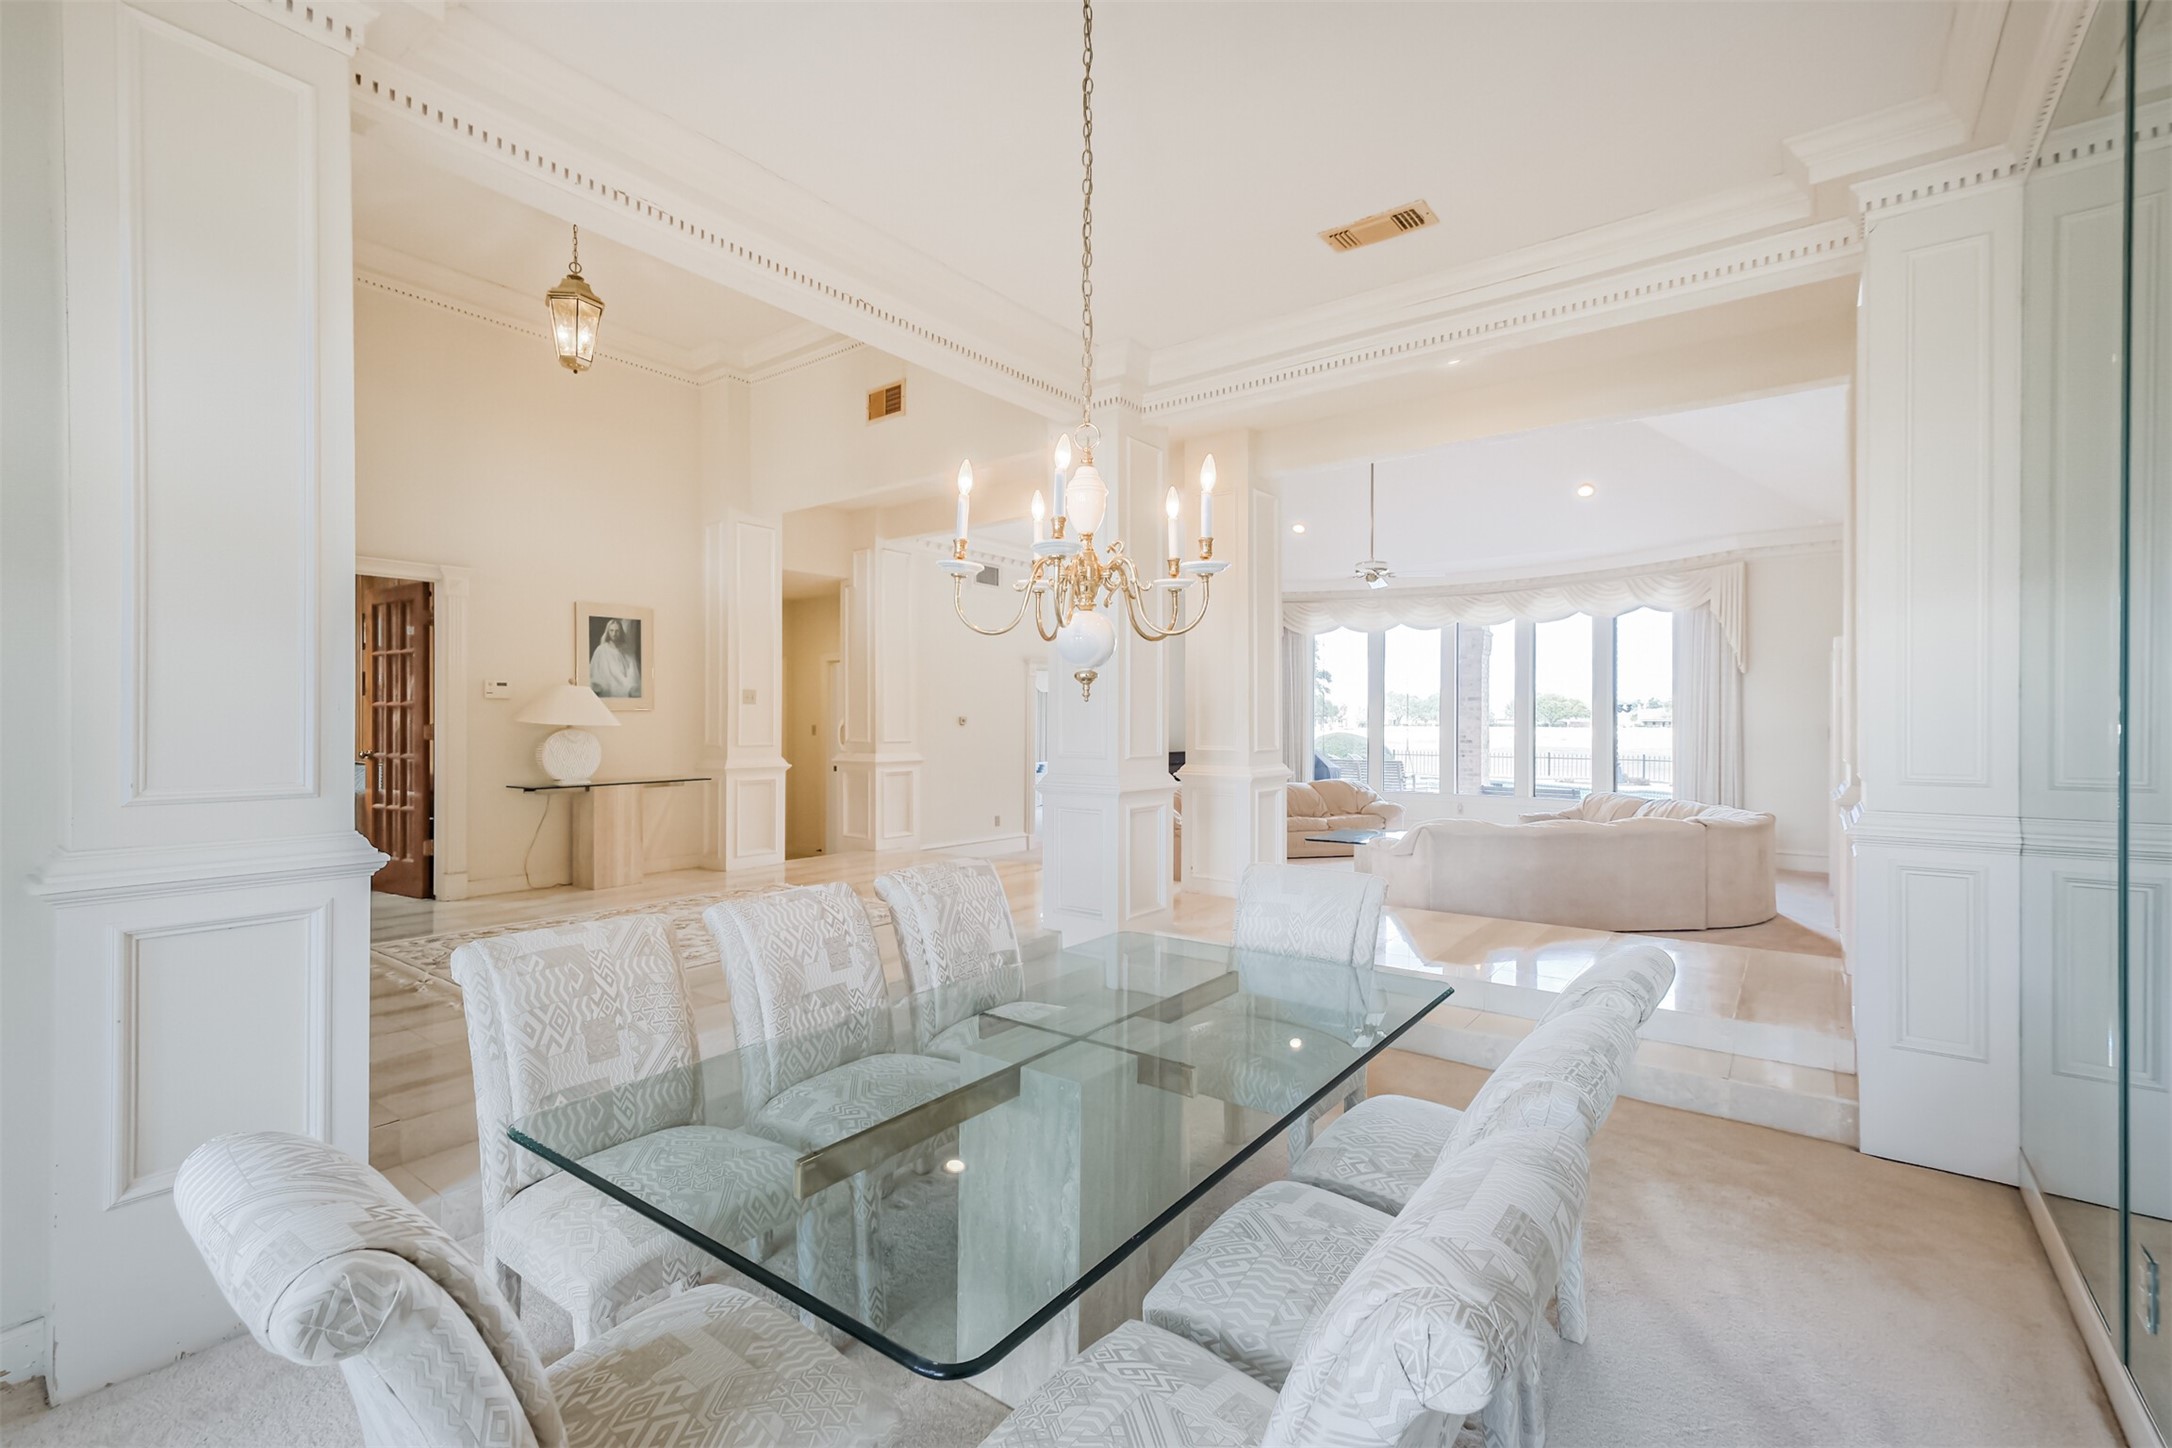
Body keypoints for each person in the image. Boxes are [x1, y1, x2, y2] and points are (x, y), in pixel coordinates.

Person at [589, 617, 640, 698]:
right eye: (611, 630)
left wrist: (630, 685)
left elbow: (632, 672)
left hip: (625, 684)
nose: (614, 634)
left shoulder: (627, 650)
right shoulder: (601, 650)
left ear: (621, 632)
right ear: (608, 632)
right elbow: (594, 671)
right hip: (605, 684)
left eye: (617, 631)